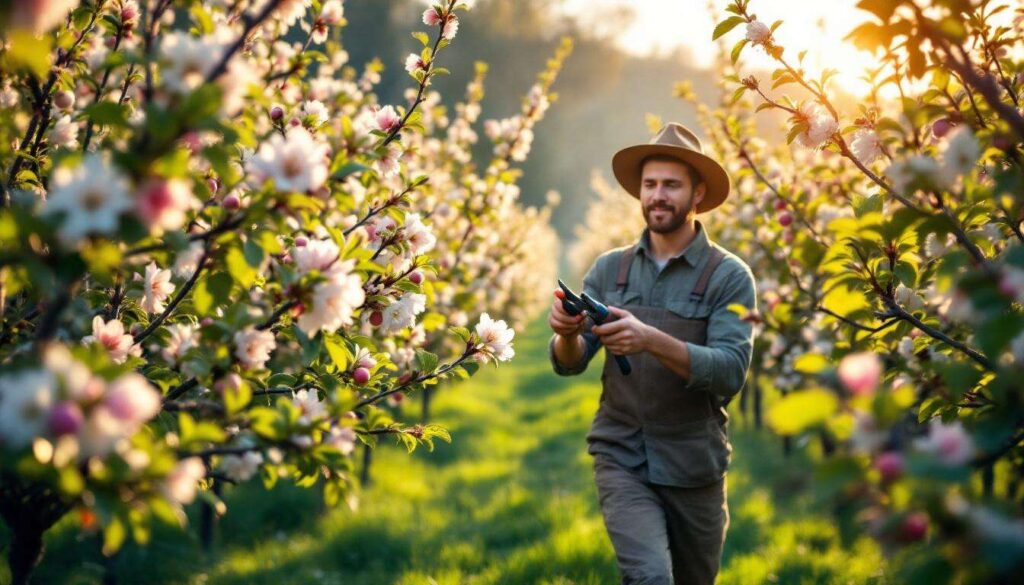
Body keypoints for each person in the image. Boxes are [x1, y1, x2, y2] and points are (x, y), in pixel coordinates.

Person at [548, 123, 757, 585]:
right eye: (650, 185)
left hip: (693, 464)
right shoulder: (610, 269)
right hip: (621, 452)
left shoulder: (729, 277)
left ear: (697, 194)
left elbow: (730, 372)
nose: (658, 196)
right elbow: (573, 361)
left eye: (671, 185)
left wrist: (650, 340)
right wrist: (565, 333)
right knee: (648, 578)